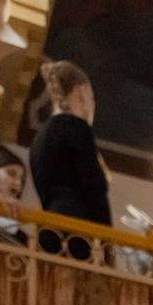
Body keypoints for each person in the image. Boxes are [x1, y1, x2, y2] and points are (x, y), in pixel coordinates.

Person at [29, 60, 111, 253]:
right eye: (92, 97)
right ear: (83, 91)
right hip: (77, 234)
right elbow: (94, 190)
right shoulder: (76, 127)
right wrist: (107, 245)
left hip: (49, 229)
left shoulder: (40, 137)